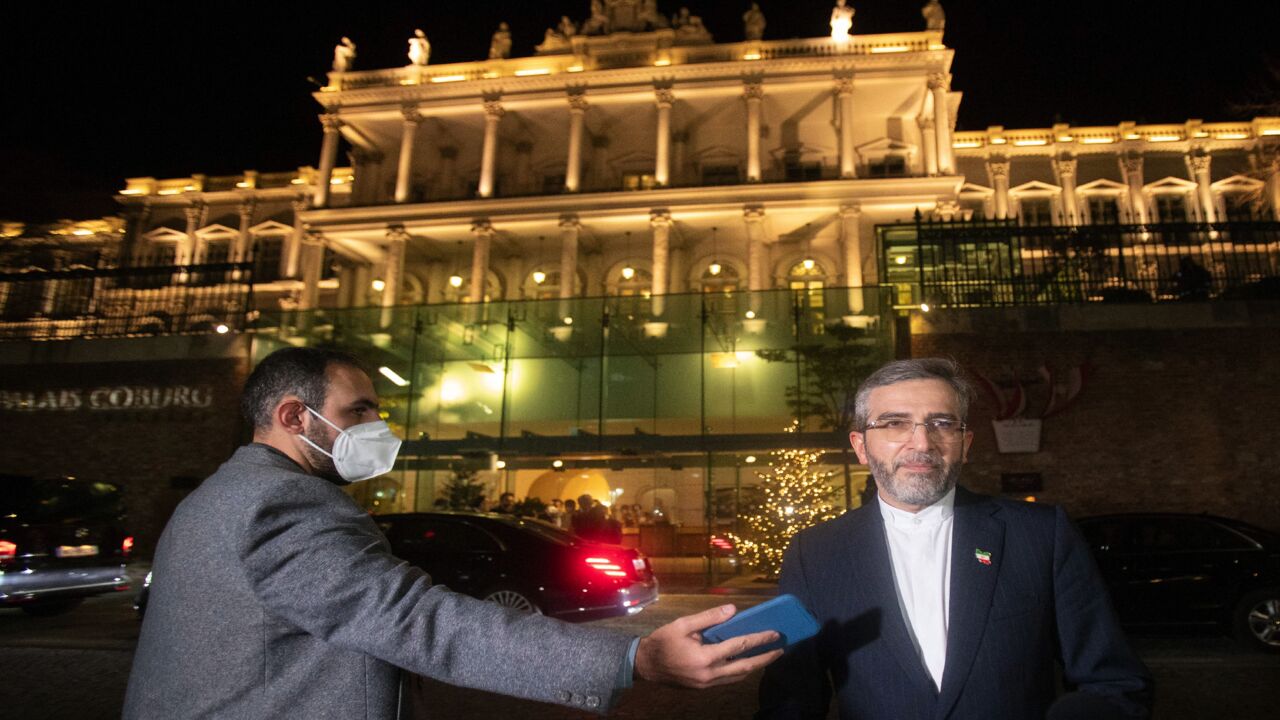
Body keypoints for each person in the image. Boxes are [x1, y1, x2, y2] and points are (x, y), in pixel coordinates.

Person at [124, 347, 781, 719]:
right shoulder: (282, 503)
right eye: (360, 414)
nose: (379, 431)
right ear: (295, 415)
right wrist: (632, 659)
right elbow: (415, 622)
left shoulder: (216, 496)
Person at [756, 358, 1152, 719]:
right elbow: (791, 702)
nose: (922, 443)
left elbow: (1114, 684)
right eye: (894, 423)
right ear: (861, 446)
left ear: (965, 444)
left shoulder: (1041, 535)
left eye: (942, 423)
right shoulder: (815, 553)